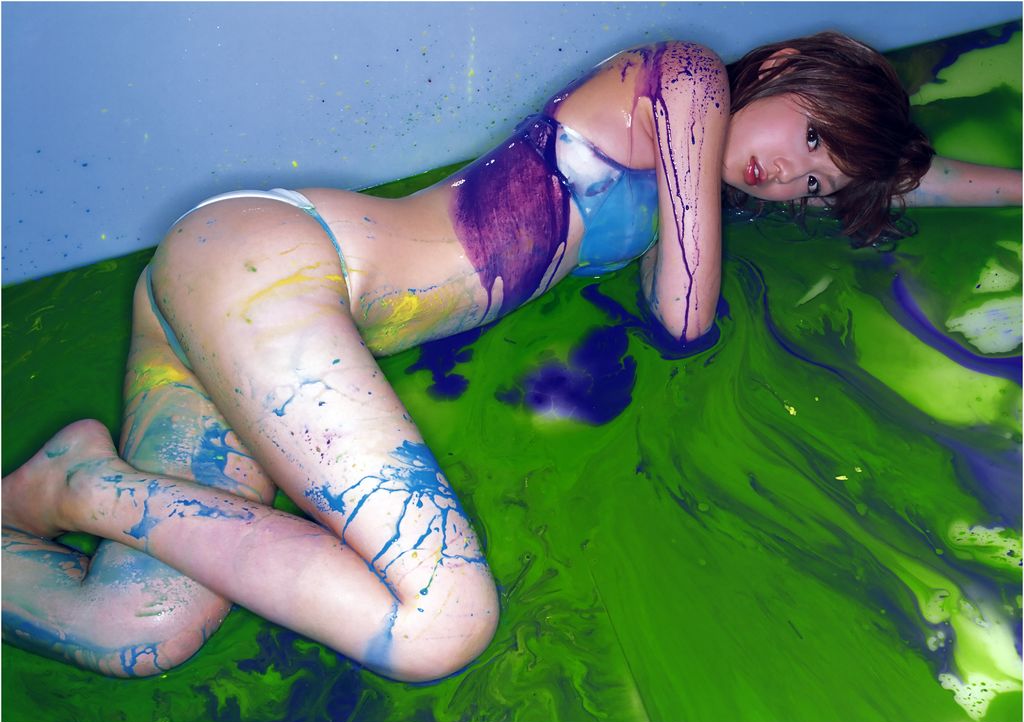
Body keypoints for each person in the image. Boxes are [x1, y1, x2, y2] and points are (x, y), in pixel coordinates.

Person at [2, 32, 1020, 683]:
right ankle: (85, 487)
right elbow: (682, 315)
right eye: (809, 138)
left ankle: (57, 489)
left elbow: (905, 179)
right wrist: (779, 190)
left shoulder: (710, 159)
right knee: (442, 622)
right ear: (787, 66)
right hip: (274, 266)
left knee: (134, 628)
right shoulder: (686, 79)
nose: (788, 176)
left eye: (811, 187)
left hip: (228, 324)